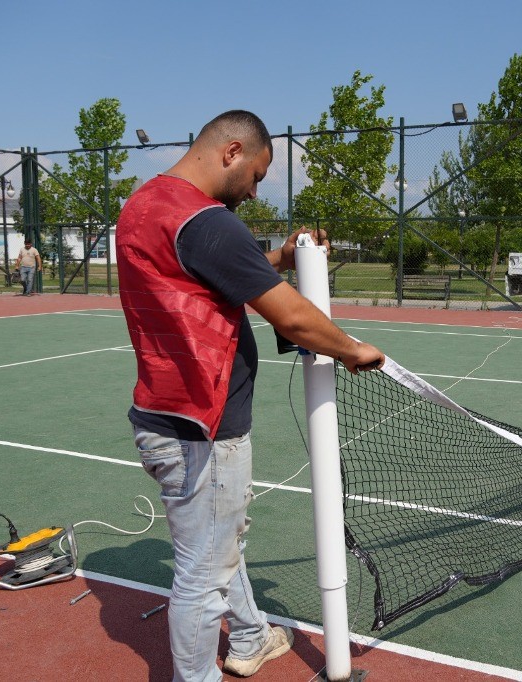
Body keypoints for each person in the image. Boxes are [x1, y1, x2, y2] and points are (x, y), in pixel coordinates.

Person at [116, 110, 384, 682]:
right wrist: (350, 349)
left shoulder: (147, 205)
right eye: (258, 175)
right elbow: (290, 315)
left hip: (163, 415)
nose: (256, 190)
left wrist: (278, 260)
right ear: (232, 152)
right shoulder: (209, 221)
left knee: (218, 539)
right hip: (203, 426)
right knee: (202, 571)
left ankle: (251, 637)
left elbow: (208, 274)